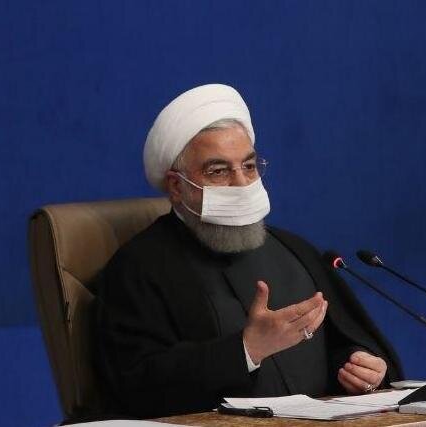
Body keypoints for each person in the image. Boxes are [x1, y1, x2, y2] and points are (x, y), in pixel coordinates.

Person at [95, 84, 403, 418]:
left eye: (249, 166)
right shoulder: (139, 268)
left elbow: (342, 343)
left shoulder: (293, 250)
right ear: (176, 186)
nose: (242, 184)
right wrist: (246, 350)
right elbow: (137, 385)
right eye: (218, 171)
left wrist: (359, 366)